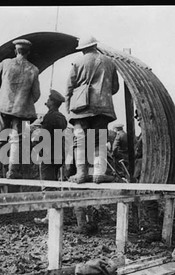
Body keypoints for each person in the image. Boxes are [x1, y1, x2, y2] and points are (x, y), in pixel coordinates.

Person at [65, 35, 119, 184]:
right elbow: (114, 88)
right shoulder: (110, 62)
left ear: (83, 49)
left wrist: (69, 108)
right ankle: (98, 174)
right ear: (95, 46)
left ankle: (81, 173)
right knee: (99, 141)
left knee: (79, 140)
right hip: (103, 107)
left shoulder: (77, 62)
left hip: (80, 109)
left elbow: (69, 87)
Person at [0, 39, 40, 179]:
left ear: (16, 51)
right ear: (28, 52)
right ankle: (12, 171)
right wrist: (24, 102)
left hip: (3, 107)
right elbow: (36, 94)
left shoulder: (6, 63)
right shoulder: (34, 69)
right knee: (16, 140)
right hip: (21, 110)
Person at [33, 89, 67, 224]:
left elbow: (43, 137)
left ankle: (50, 217)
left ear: (52, 102)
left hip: (48, 156)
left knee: (47, 186)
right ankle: (53, 215)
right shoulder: (62, 118)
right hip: (58, 156)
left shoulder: (49, 117)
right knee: (54, 185)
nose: (46, 101)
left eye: (48, 99)